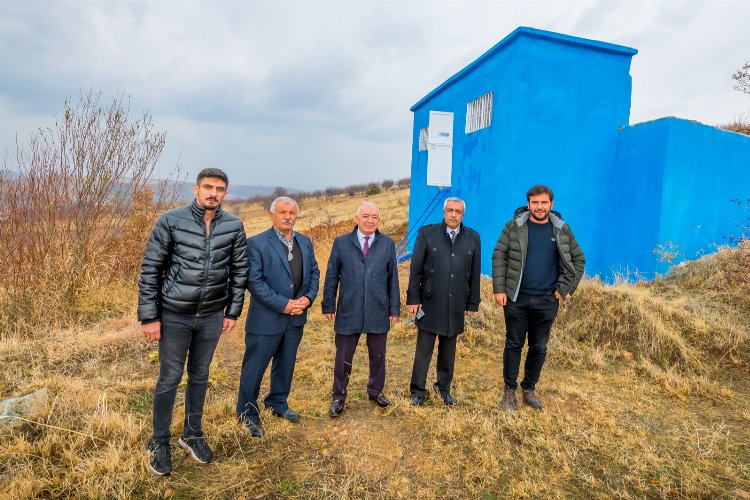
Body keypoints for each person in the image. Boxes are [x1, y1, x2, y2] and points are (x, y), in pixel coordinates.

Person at [138, 168, 249, 476]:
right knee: (170, 377)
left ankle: (192, 433)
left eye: (220, 189)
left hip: (212, 315)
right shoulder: (171, 221)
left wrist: (232, 311)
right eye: (208, 187)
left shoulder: (234, 226)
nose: (213, 193)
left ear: (225, 194)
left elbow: (240, 271)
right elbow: (150, 270)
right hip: (175, 315)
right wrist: (150, 316)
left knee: (200, 374)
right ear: (196, 189)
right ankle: (159, 441)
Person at [492, 185, 585, 410]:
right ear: (528, 204)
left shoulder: (562, 230)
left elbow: (578, 260)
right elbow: (499, 256)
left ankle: (529, 388)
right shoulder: (514, 227)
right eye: (535, 203)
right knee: (514, 344)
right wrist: (499, 289)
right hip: (516, 298)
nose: (539, 207)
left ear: (551, 204)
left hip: (547, 301)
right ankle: (509, 391)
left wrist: (565, 289)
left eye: (544, 203)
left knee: (539, 346)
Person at [236, 197, 319, 437]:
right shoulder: (257, 243)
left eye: (292, 213)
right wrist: (282, 304)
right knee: (255, 367)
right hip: (267, 319)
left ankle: (277, 402)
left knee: (286, 364)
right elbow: (254, 281)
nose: (288, 217)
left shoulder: (304, 241)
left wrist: (308, 298)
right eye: (282, 212)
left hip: (295, 319)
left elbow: (314, 271)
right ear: (271, 215)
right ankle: (247, 412)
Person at [322, 202, 400, 417]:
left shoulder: (387, 244)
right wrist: (328, 303)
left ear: (379, 220)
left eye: (374, 217)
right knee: (343, 355)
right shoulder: (341, 243)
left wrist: (394, 307)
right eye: (365, 216)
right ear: (356, 218)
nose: (369, 220)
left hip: (378, 308)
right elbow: (331, 276)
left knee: (378, 355)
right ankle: (339, 395)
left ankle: (375, 391)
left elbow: (393, 278)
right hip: (349, 308)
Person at [406, 197, 481, 406]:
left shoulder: (473, 238)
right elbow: (416, 270)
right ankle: (418, 392)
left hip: (456, 304)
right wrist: (413, 298)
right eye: (450, 210)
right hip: (430, 302)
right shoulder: (427, 234)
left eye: (458, 211)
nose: (453, 214)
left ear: (462, 214)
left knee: (449, 350)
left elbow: (474, 274)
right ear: (444, 211)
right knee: (424, 350)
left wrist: (472, 303)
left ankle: (443, 389)